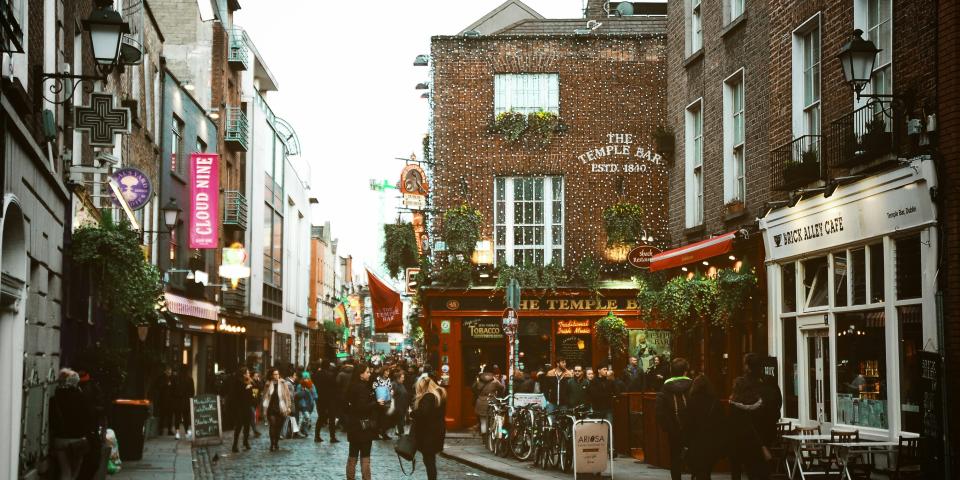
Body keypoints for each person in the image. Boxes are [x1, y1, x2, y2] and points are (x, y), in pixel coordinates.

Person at [729, 353, 781, 480]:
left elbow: (735, 414)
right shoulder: (769, 384)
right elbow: (777, 405)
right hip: (767, 433)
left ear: (747, 366)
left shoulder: (741, 385)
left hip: (748, 436)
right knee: (763, 470)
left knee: (751, 469)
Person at [49, 369, 95, 480]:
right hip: (78, 439)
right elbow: (89, 418)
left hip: (60, 439)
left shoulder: (54, 398)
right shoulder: (82, 397)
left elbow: (52, 420)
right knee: (75, 471)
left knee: (65, 471)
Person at [683, 375, 727, 480]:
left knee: (700, 471)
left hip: (696, 441)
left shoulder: (691, 401)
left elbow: (687, 423)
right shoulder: (716, 402)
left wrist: (686, 441)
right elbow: (722, 423)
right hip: (712, 441)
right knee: (707, 470)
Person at [655, 357, 693, 480]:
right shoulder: (693, 386)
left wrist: (669, 428)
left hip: (674, 430)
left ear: (671, 370)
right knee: (696, 456)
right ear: (685, 371)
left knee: (675, 458)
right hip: (693, 429)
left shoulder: (665, 388)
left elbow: (660, 412)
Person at [412, 367, 447, 480]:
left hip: (428, 434)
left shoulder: (428, 397)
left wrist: (412, 413)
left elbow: (423, 414)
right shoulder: (439, 394)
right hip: (437, 431)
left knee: (429, 461)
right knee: (430, 459)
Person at [344, 363, 377, 480]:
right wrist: (375, 403)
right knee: (365, 457)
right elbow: (362, 407)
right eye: (367, 372)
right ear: (360, 374)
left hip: (353, 425)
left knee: (352, 455)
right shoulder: (362, 388)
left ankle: (350, 478)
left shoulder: (351, 386)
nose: (369, 374)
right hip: (363, 426)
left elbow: (347, 406)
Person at [261, 368, 293, 451]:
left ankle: (276, 443)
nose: (276, 376)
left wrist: (289, 407)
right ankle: (272, 444)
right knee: (272, 424)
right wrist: (263, 408)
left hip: (281, 408)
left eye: (277, 374)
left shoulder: (283, 383)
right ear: (272, 375)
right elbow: (264, 396)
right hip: (271, 408)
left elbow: (287, 396)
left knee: (278, 426)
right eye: (275, 374)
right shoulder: (268, 384)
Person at [228, 367, 256, 453]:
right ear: (243, 374)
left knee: (247, 425)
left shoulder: (249, 382)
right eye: (247, 373)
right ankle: (235, 444)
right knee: (239, 426)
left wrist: (253, 390)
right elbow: (236, 395)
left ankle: (245, 441)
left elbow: (255, 390)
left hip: (247, 406)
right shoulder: (238, 382)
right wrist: (246, 387)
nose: (248, 374)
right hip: (239, 407)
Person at [472, 365, 504, 437]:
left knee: (482, 420)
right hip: (491, 401)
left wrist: (479, 394)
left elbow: (473, 388)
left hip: (480, 400)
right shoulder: (495, 381)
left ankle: (484, 435)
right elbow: (502, 388)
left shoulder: (479, 380)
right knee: (491, 419)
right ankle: (490, 436)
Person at [315, 362, 340, 443]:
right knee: (331, 418)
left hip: (320, 398)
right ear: (328, 366)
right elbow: (335, 386)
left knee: (321, 417)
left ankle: (317, 436)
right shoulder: (330, 375)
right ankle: (332, 437)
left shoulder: (317, 375)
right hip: (330, 399)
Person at [372, 366, 394, 440]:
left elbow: (390, 388)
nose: (388, 373)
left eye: (388, 371)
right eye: (386, 371)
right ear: (383, 371)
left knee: (385, 418)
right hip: (379, 401)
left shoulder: (388, 379)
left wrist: (391, 391)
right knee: (378, 417)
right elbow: (374, 388)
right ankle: (376, 434)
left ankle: (384, 433)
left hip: (387, 401)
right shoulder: (377, 379)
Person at [154, 367, 177, 435]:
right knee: (162, 416)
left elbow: (174, 387)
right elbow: (158, 386)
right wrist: (166, 384)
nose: (169, 372)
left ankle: (169, 430)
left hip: (170, 401)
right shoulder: (161, 378)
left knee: (170, 416)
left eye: (170, 371)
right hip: (163, 400)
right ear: (165, 371)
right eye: (168, 371)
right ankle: (160, 430)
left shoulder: (172, 378)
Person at [173, 369, 195, 439]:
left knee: (177, 417)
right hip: (186, 402)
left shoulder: (176, 379)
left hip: (177, 401)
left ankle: (177, 433)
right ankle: (186, 433)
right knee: (186, 418)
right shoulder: (190, 379)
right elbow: (192, 391)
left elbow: (172, 390)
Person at [392, 370, 411, 436]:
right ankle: (401, 433)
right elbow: (392, 395)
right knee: (399, 421)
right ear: (398, 378)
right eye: (402, 377)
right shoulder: (394, 384)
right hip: (397, 406)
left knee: (401, 421)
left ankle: (401, 433)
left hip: (402, 406)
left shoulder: (401, 384)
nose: (403, 379)